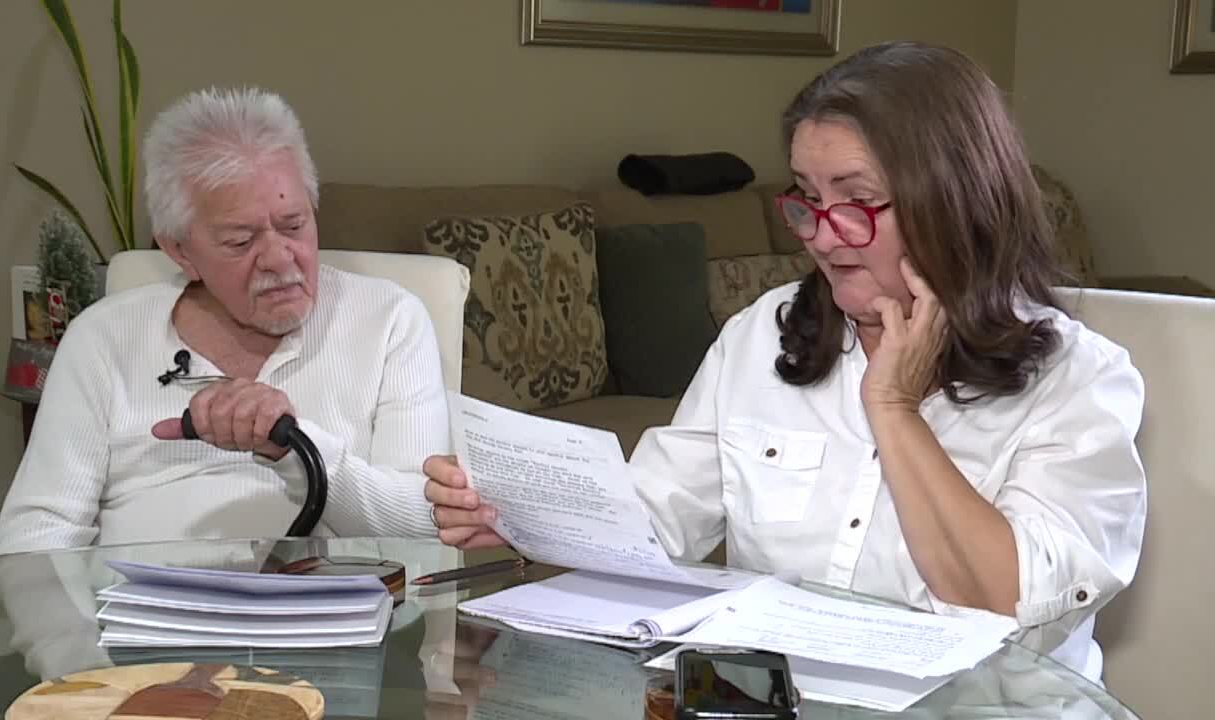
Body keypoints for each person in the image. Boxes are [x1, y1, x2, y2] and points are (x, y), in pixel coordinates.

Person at [422, 41, 1146, 682]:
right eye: (806, 200)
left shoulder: (1081, 380)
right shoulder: (760, 335)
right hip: (779, 699)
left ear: (954, 201)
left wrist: (892, 409)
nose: (824, 239)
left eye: (858, 200)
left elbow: (1009, 610)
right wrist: (525, 519)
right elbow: (660, 519)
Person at [0, 87, 450, 554]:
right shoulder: (103, 338)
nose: (278, 258)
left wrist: (295, 446)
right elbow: (39, 533)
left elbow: (420, 524)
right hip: (142, 616)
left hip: (326, 617)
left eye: (294, 225)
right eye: (239, 241)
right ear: (179, 251)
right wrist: (75, 629)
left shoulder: (390, 321)